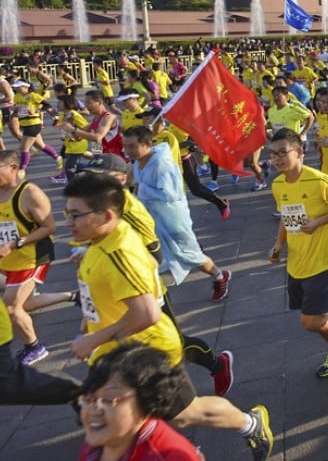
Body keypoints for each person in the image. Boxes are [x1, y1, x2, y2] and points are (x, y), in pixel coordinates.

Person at [64, 174, 273, 460]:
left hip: (148, 352)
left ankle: (251, 424)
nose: (68, 222)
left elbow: (147, 314)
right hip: (117, 353)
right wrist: (90, 323)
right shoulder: (101, 239)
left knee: (186, 414)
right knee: (131, 416)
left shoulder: (118, 253)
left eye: (75, 215)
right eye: (67, 213)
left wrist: (93, 339)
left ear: (106, 215)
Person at [268, 128, 328, 379]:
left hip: (321, 258)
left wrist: (318, 222)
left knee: (310, 320)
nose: (276, 159)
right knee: (317, 317)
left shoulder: (319, 180)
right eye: (272, 154)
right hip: (296, 260)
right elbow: (285, 217)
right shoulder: (277, 184)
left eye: (282, 153)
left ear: (299, 152)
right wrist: (278, 245)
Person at [122, 127, 232, 300]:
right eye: (125, 147)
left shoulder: (161, 164)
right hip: (153, 219)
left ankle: (220, 276)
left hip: (173, 220)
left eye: (132, 146)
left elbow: (171, 193)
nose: (127, 151)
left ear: (148, 144)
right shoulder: (138, 162)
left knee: (192, 255)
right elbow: (135, 184)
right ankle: (155, 293)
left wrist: (143, 190)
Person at [0, 150, 74, 365]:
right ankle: (71, 296)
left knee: (12, 307)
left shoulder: (29, 193)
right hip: (8, 258)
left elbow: (49, 227)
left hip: (31, 256)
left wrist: (16, 244)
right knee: (25, 303)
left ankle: (35, 347)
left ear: (13, 168)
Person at [78, 344, 204, 460]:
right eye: (89, 399)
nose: (93, 409)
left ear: (145, 400)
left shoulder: (169, 456)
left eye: (108, 399)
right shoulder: (97, 445)